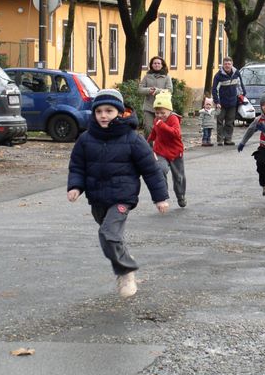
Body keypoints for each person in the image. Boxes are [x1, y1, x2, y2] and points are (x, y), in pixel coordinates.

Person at [67, 89, 169, 299]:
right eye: (99, 111)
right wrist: (75, 186)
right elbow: (77, 166)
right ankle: (125, 260)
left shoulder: (132, 139)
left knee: (109, 234)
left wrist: (160, 198)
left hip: (123, 198)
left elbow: (151, 170)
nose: (103, 115)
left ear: (120, 112)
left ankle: (126, 272)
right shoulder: (86, 139)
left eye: (109, 111)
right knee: (112, 236)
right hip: (97, 198)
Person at [148, 91, 187, 208]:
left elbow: (176, 133)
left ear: (169, 111)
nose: (159, 115)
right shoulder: (157, 120)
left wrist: (163, 125)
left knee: (178, 177)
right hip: (161, 151)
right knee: (160, 169)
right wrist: (147, 143)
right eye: (157, 112)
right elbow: (154, 132)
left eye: (162, 113)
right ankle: (162, 195)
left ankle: (181, 196)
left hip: (175, 152)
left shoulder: (173, 119)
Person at [212, 56, 246, 146]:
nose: (227, 65)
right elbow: (214, 89)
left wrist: (243, 94)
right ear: (223, 65)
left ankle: (228, 139)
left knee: (230, 122)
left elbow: (240, 85)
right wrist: (217, 101)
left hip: (233, 102)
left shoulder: (236, 73)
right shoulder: (218, 76)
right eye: (225, 64)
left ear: (232, 64)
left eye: (229, 64)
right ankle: (220, 140)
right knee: (220, 121)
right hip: (221, 103)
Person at [139, 56, 173, 137]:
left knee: (162, 129)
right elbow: (140, 89)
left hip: (163, 108)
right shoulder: (147, 76)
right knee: (148, 128)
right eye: (154, 63)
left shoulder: (166, 77)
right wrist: (149, 90)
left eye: (158, 63)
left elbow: (170, 90)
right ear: (151, 65)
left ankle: (161, 145)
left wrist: (157, 91)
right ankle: (149, 145)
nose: (156, 65)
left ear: (162, 65)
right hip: (149, 107)